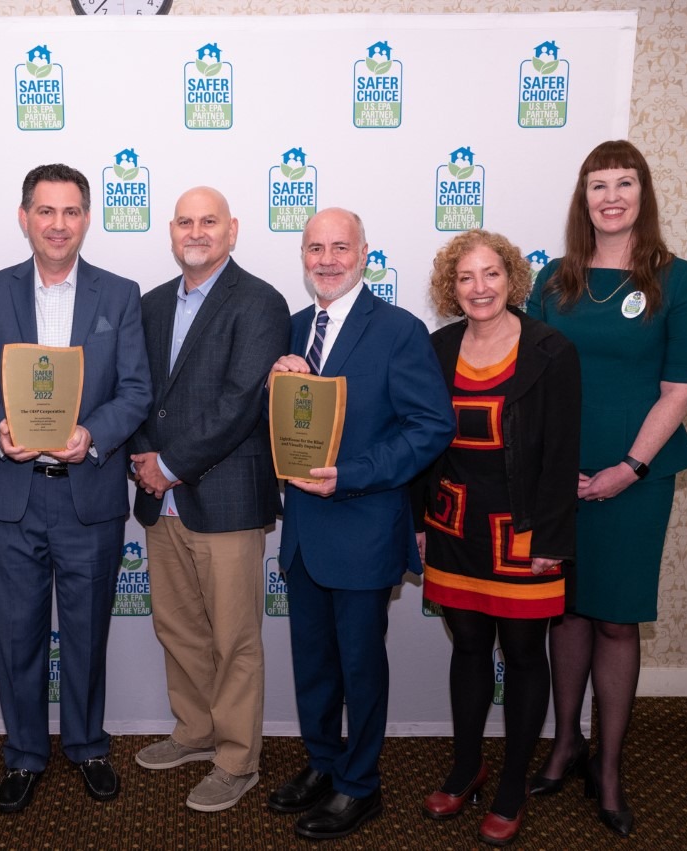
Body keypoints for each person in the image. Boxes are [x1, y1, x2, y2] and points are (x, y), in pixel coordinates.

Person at [526, 140, 687, 838]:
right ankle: (565, 743)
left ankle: (608, 766)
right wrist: (549, 468)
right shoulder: (555, 279)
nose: (611, 197)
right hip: (560, 475)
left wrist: (628, 467)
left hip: (635, 475)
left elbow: (680, 388)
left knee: (615, 618)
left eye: (624, 183)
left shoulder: (678, 279)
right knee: (567, 611)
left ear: (643, 194)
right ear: (584, 198)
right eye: (598, 185)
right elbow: (529, 373)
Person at [0, 163, 152, 814]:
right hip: (13, 495)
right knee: (16, 636)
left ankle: (88, 744)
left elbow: (136, 390)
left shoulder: (119, 294)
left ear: (87, 219)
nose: (58, 224)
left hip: (87, 494)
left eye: (71, 211)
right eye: (45, 211)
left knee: (86, 633)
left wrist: (92, 434)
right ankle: (23, 753)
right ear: (24, 218)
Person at [267, 208, 454, 841]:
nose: (327, 260)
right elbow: (280, 426)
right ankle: (324, 762)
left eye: (339, 248)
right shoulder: (293, 329)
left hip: (365, 527)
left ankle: (360, 784)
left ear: (365, 254)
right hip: (304, 533)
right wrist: (273, 388)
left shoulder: (399, 330)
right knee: (313, 665)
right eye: (315, 248)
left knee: (360, 667)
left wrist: (352, 474)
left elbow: (432, 427)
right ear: (303, 256)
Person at [414, 230, 581, 846]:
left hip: (523, 531)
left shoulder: (551, 350)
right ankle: (466, 768)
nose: (479, 288)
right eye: (465, 277)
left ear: (512, 279)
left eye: (491, 274)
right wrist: (419, 522)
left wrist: (552, 539)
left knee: (524, 654)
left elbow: (562, 452)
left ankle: (512, 786)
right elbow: (420, 440)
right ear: (450, 288)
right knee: (467, 649)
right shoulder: (437, 348)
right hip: (454, 525)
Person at [129, 187, 290, 812]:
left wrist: (168, 466)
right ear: (172, 232)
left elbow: (241, 402)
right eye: (185, 222)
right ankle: (195, 729)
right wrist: (145, 458)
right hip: (160, 497)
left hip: (224, 497)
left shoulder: (260, 301)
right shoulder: (150, 304)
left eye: (209, 221)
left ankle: (236, 759)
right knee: (178, 627)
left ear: (232, 230)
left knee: (234, 638)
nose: (196, 232)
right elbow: (135, 391)